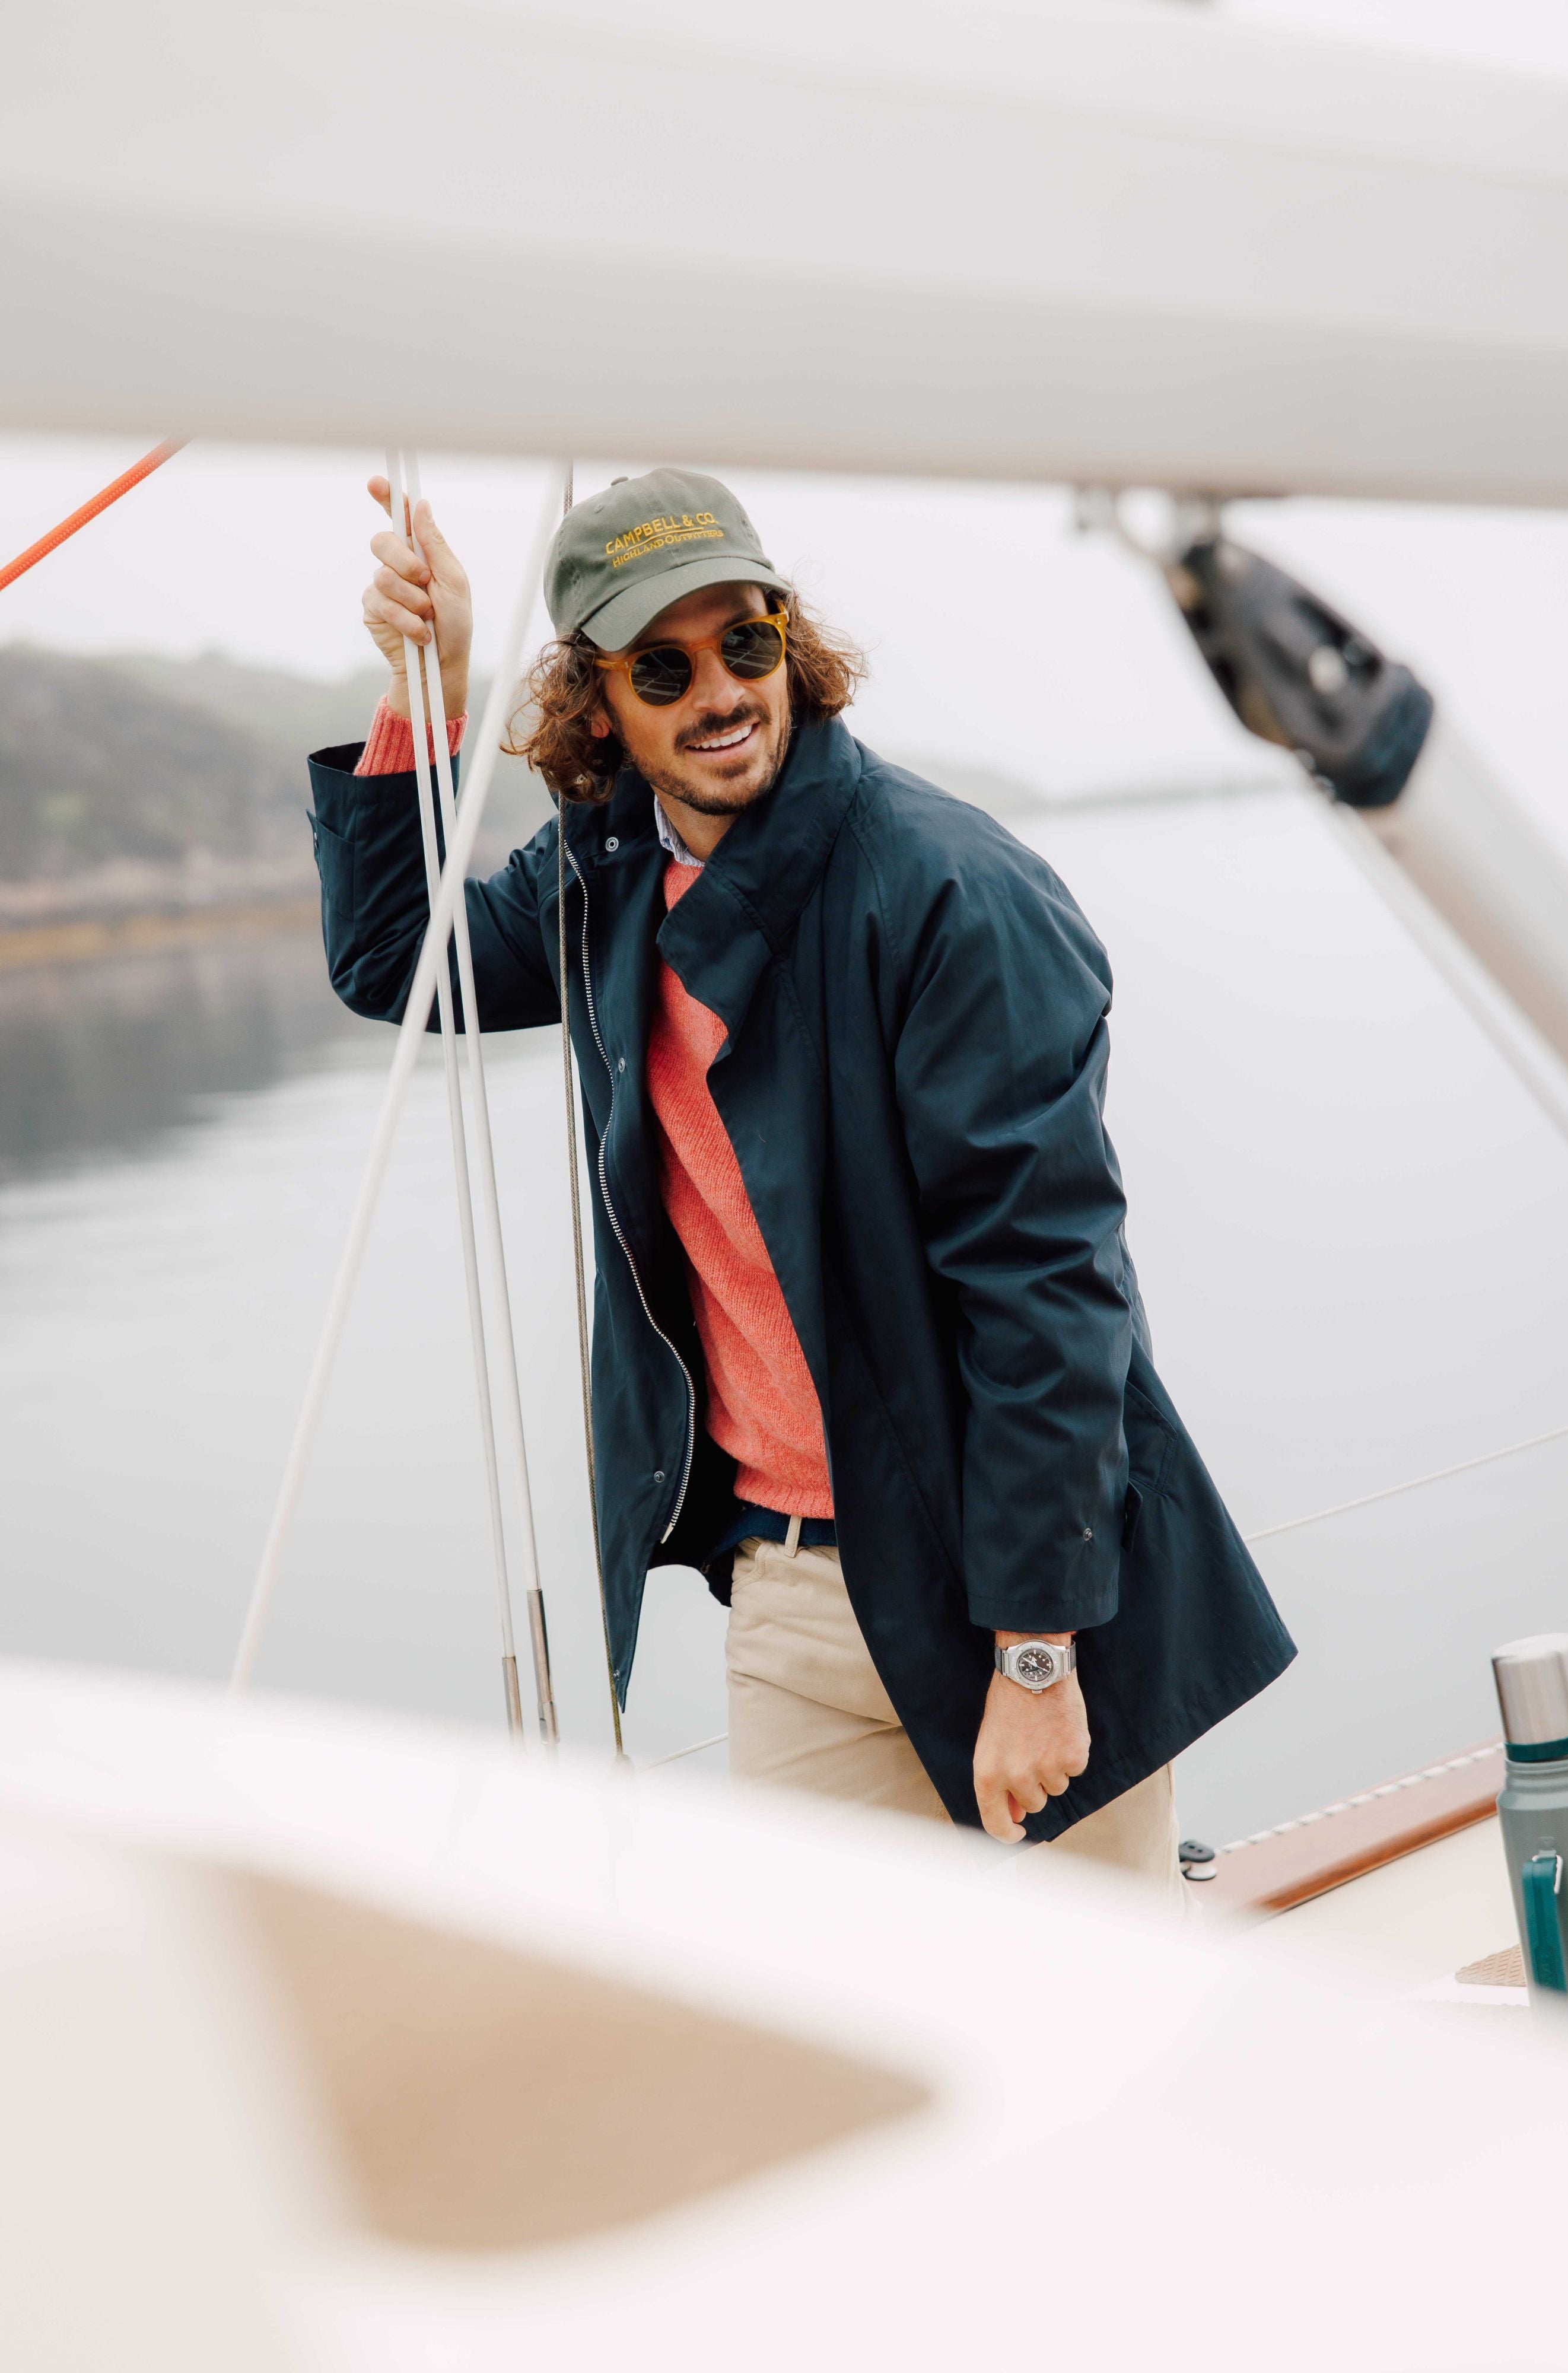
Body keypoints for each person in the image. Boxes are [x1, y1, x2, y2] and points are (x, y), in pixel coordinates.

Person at [308, 466, 1294, 1887]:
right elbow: (403, 966)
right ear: (599, 705)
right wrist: (430, 683)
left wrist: (1032, 1649)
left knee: (1110, 2043)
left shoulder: (953, 891)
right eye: (665, 664)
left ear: (792, 643)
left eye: (746, 642)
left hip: (1006, 1588)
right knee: (846, 2045)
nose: (720, 691)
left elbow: (1049, 1288)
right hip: (783, 1594)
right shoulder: (601, 882)